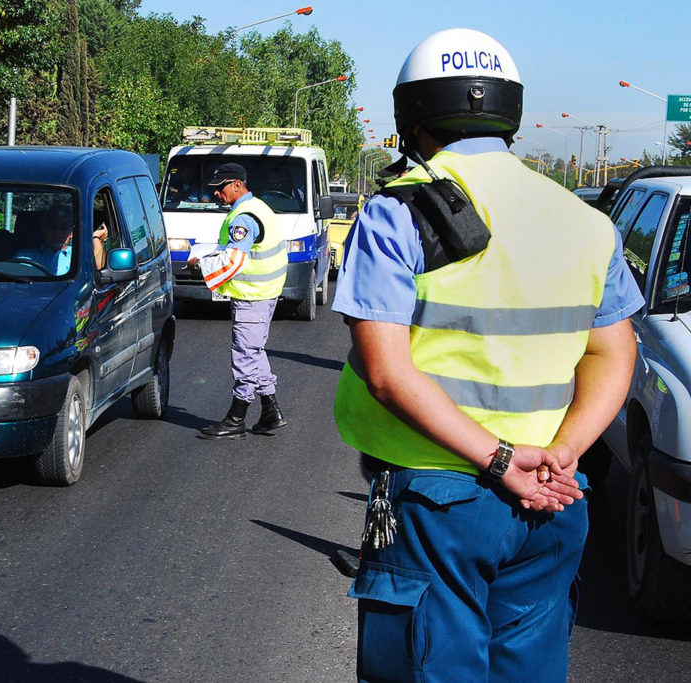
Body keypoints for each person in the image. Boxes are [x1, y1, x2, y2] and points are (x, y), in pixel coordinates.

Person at [331, 29, 643, 681]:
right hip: (554, 501)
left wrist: (500, 459)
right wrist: (564, 453)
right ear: (511, 115)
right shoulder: (585, 221)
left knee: (425, 667)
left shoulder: (396, 212)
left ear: (412, 117)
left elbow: (386, 371)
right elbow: (616, 354)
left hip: (434, 499)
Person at [187, 162, 288, 439]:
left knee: (245, 354)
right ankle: (270, 412)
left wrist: (200, 267)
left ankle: (236, 418)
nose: (215, 194)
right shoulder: (255, 207)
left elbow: (234, 260)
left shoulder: (243, 217)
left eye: (219, 188)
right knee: (255, 352)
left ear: (236, 185)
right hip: (263, 293)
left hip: (252, 297)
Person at [15, 203, 107, 275]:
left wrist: (96, 237)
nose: (57, 232)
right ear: (43, 229)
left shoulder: (80, 255)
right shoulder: (25, 257)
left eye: (64, 228)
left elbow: (98, 269)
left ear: (72, 233)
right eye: (51, 227)